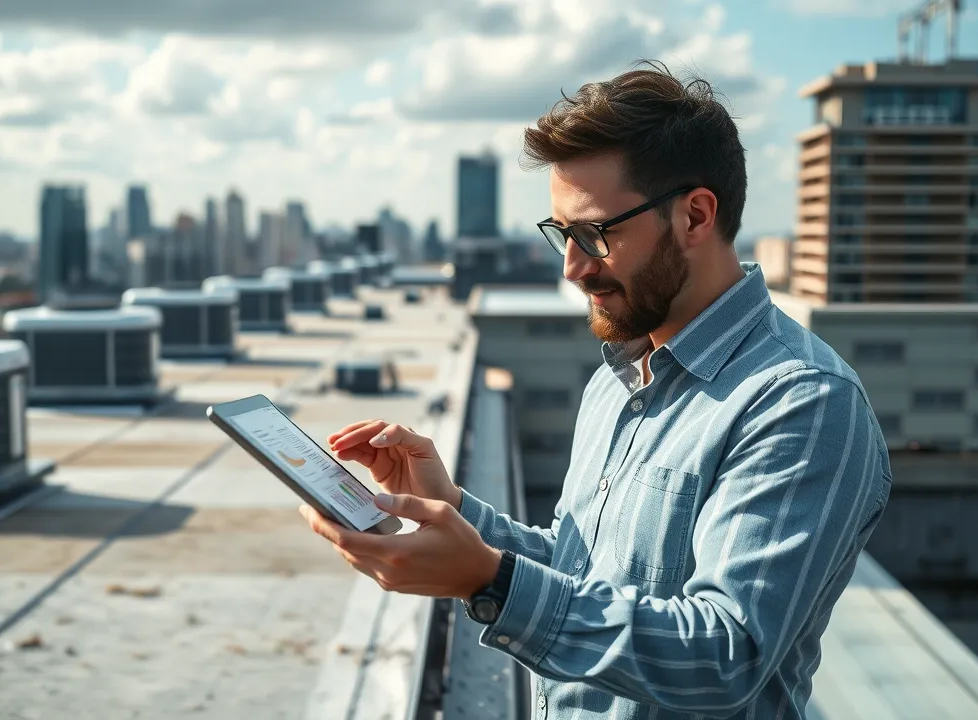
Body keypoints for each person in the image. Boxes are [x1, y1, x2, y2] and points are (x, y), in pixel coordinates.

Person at [299, 62, 892, 719]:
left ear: (695, 216)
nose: (572, 268)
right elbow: (585, 571)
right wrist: (454, 511)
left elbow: (728, 656)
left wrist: (488, 579)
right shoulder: (618, 377)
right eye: (561, 234)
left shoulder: (800, 402)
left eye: (594, 235)